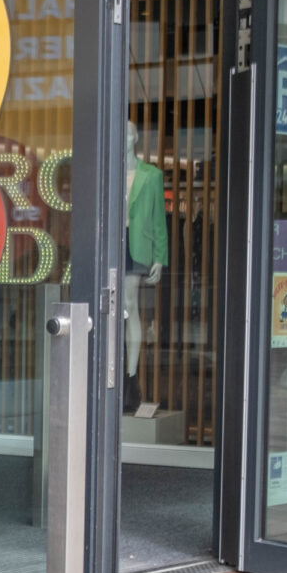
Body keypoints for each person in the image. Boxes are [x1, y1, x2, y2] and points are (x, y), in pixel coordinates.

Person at [122, 121, 167, 412]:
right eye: (121, 132)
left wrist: (160, 257)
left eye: (129, 132)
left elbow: (158, 219)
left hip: (137, 244)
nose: (124, 137)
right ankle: (117, 373)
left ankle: (130, 375)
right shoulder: (108, 171)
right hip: (111, 244)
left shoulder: (151, 175)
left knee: (129, 305)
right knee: (111, 308)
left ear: (136, 137)